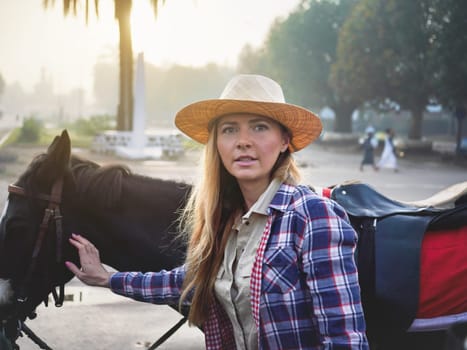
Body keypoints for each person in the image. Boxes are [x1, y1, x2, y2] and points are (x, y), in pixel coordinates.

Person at [66, 74, 369, 349]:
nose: (243, 141)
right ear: (217, 144)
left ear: (284, 142)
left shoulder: (314, 217)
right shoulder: (226, 220)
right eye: (229, 129)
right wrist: (108, 279)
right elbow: (185, 282)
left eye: (259, 127)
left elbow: (344, 339)